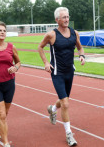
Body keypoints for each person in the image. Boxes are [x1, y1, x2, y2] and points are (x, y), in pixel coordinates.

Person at [38, 7, 85, 146]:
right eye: (63, 17)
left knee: (63, 100)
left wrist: (81, 56)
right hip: (57, 73)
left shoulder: (74, 33)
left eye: (67, 17)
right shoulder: (51, 35)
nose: (66, 19)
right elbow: (40, 47)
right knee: (65, 103)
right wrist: (46, 62)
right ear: (57, 19)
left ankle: (52, 109)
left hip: (70, 72)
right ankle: (69, 134)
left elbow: (80, 47)